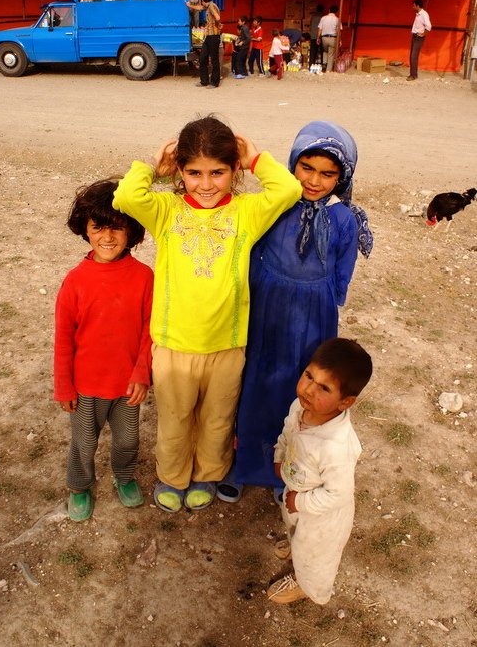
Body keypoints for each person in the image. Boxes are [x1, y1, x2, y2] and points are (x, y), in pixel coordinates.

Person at [112, 116, 301, 514]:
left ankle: (206, 475)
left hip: (227, 345)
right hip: (173, 344)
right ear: (179, 171)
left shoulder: (246, 213)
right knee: (175, 419)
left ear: (234, 172)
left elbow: (287, 188)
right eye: (194, 172)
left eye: (218, 172)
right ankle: (172, 477)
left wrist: (255, 158)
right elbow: (127, 197)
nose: (206, 183)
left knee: (217, 420)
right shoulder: (166, 210)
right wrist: (152, 165)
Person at [217, 121, 373, 504]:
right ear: (292, 164)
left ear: (343, 176)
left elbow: (341, 274)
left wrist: (323, 310)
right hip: (267, 306)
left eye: (328, 173)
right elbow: (254, 251)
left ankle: (282, 472)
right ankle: (244, 464)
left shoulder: (343, 219)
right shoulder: (278, 202)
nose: (315, 180)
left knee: (297, 389)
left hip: (313, 316)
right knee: (255, 382)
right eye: (307, 168)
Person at [54, 179, 153, 522]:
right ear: (85, 229)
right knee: (84, 443)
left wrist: (142, 373)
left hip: (127, 386)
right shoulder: (75, 281)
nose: (107, 237)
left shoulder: (144, 277)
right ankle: (80, 486)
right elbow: (64, 338)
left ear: (132, 232)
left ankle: (124, 476)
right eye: (98, 227)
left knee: (127, 441)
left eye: (117, 228)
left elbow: (149, 331)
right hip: (85, 388)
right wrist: (64, 385)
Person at [267, 337, 373, 604]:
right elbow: (287, 432)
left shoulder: (336, 446)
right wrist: (280, 456)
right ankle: (295, 547)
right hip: (297, 494)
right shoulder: (300, 407)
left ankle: (310, 586)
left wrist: (299, 501)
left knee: (316, 556)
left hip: (323, 517)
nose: (309, 390)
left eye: (324, 388)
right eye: (308, 376)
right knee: (295, 529)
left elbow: (338, 494)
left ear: (345, 402)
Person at [186, 0, 222, 89]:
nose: (200, 3)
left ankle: (215, 82)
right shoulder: (208, 5)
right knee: (202, 58)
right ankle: (204, 81)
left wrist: (218, 22)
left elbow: (217, 17)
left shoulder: (211, 6)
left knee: (214, 60)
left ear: (202, 0)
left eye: (200, 1)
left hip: (214, 36)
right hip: (209, 37)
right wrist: (189, 5)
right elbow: (200, 8)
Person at [407, 0, 432, 81]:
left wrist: (423, 34)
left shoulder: (424, 14)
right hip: (415, 36)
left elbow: (428, 26)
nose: (413, 7)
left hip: (418, 38)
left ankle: (413, 75)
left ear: (418, 6)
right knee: (412, 56)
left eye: (414, 5)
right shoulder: (418, 14)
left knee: (413, 56)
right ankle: (414, 74)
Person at [317, 5, 341, 72]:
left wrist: (318, 38)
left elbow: (320, 29)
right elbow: (339, 31)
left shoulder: (323, 18)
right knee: (331, 54)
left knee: (325, 51)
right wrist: (339, 40)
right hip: (333, 38)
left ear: (329, 10)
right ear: (337, 12)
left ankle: (324, 63)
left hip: (324, 38)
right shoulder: (337, 19)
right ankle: (328, 70)